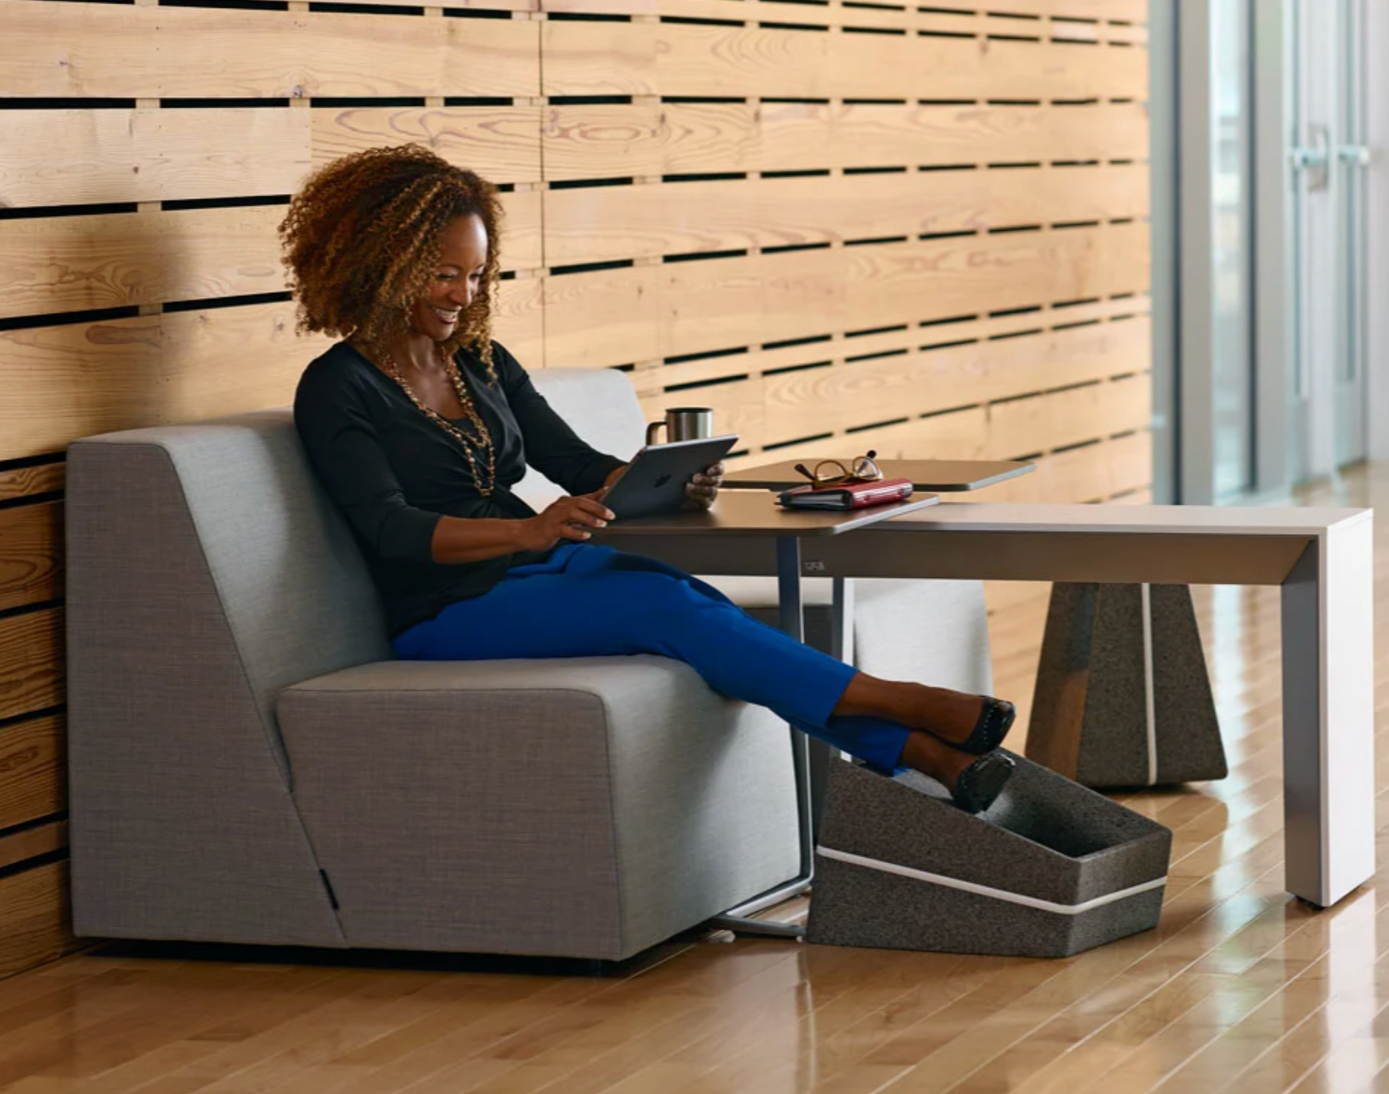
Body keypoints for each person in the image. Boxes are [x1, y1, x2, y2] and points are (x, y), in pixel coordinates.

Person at [282, 144, 1018, 813]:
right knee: (662, 608)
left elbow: (572, 463)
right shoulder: (337, 387)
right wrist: (530, 527)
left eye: (475, 275)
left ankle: (929, 757)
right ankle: (913, 706)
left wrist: (660, 482)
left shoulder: (480, 361)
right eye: (444, 274)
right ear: (380, 263)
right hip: (442, 612)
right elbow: (390, 528)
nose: (462, 296)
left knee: (685, 597)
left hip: (538, 568)